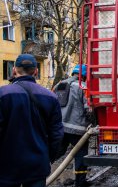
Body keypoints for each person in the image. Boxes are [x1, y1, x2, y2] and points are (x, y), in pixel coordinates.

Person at [0, 54, 63, 187]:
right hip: (37, 165)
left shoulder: (3, 94)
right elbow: (57, 135)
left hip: (7, 166)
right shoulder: (51, 97)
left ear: (14, 70)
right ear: (36, 71)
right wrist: (47, 158)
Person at [54, 64, 91, 187]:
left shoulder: (59, 85)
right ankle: (80, 183)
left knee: (57, 152)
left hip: (60, 128)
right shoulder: (83, 87)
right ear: (84, 76)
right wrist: (93, 123)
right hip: (77, 130)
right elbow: (88, 109)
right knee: (80, 155)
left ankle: (40, 174)